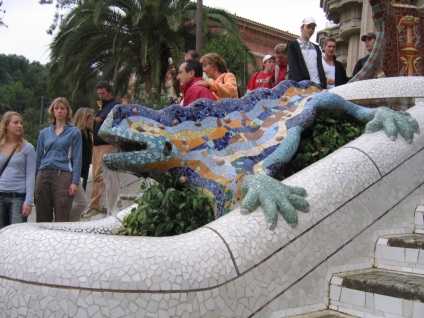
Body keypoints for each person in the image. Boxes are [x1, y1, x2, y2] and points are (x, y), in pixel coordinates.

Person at [35, 97, 82, 223]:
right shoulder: (44, 133)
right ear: (53, 111)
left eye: (62, 108)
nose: (59, 111)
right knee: (42, 216)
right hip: (43, 174)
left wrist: (75, 182)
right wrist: (35, 179)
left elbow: (77, 158)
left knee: (62, 213)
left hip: (63, 175)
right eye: (56, 108)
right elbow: (38, 157)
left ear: (67, 111)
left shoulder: (74, 132)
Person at [81, 81, 119, 219]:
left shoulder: (115, 106)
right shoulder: (102, 107)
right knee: (97, 175)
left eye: (103, 93)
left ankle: (98, 204)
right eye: (99, 94)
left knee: (100, 173)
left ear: (110, 92)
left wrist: (100, 119)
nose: (101, 96)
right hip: (97, 146)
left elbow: (114, 121)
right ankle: (97, 204)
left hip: (108, 144)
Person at [0, 112, 36, 229]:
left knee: (16, 235)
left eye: (21, 123)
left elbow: (31, 175)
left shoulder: (28, 148)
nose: (19, 125)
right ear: (6, 125)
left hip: (18, 198)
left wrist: (29, 201)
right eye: (15, 123)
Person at [69, 107, 95, 221]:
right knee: (80, 202)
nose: (93, 121)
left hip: (82, 173)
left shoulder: (88, 135)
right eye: (91, 118)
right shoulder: (79, 134)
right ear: (84, 119)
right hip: (75, 174)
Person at [287, 17, 327, 88]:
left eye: (313, 28)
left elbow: (320, 67)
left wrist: (323, 83)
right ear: (302, 28)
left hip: (318, 84)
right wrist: (298, 85)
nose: (310, 30)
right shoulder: (293, 45)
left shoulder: (316, 47)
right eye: (308, 27)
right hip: (302, 85)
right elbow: (293, 67)